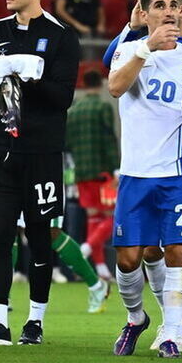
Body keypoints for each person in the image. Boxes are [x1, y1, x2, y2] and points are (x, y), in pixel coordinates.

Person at [106, 0, 182, 358]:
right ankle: (136, 318)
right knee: (128, 258)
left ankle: (173, 332)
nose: (168, 11)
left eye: (173, 5)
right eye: (160, 5)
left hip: (179, 174)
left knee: (179, 252)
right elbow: (115, 87)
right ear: (145, 14)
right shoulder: (129, 50)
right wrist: (146, 46)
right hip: (136, 174)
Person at [0, 0, 82, 345]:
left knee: (39, 236)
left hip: (43, 153)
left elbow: (63, 98)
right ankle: (0, 320)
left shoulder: (61, 36)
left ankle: (35, 320)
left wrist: (32, 77)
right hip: (2, 150)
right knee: (0, 236)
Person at [64, 68, 120, 313]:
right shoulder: (102, 107)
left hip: (81, 172)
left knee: (93, 218)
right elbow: (109, 139)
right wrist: (116, 168)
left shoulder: (74, 110)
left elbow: (67, 143)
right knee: (112, 216)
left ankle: (101, 269)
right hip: (102, 172)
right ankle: (85, 248)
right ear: (100, 83)